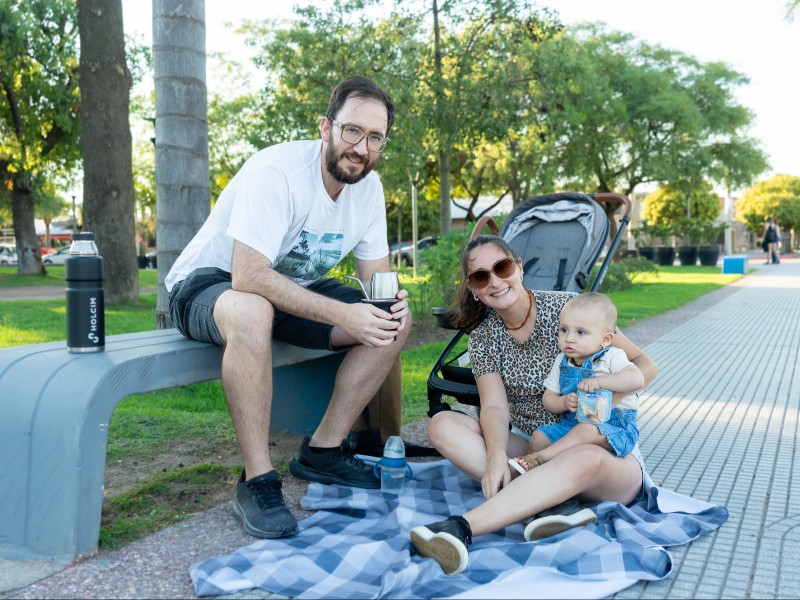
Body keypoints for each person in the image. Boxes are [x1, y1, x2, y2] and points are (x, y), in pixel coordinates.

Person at [165, 75, 411, 540]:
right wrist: (344, 314)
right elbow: (248, 276)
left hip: (288, 290)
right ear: (326, 127)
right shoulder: (277, 172)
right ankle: (257, 481)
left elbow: (377, 279)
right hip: (209, 284)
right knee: (253, 311)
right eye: (352, 131)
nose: (361, 148)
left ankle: (323, 450)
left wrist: (387, 303)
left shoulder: (369, 189)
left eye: (375, 137)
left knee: (394, 321)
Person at [409, 235, 657, 576]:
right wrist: (496, 457)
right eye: (481, 276)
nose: (495, 281)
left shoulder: (568, 310)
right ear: (473, 288)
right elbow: (494, 408)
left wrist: (602, 396)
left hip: (603, 449)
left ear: (519, 268)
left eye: (502, 267)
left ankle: (461, 528)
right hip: (537, 445)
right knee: (442, 425)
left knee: (582, 454)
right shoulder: (483, 337)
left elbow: (645, 365)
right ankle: (552, 504)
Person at [510, 292, 644, 475]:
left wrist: (599, 382)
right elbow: (548, 399)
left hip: (615, 426)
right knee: (539, 437)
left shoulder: (612, 356)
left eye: (581, 332)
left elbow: (637, 379)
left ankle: (539, 459)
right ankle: (536, 477)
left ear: (605, 339)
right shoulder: (562, 362)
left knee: (586, 430)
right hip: (572, 423)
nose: (569, 338)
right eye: (564, 330)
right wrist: (563, 402)